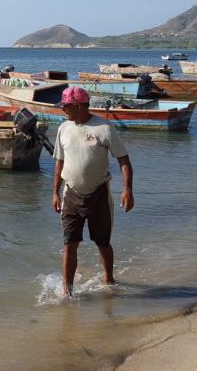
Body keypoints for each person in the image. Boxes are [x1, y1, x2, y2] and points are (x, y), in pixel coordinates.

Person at [51, 86, 133, 296]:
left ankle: (109, 282)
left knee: (103, 242)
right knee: (69, 243)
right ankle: (67, 291)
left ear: (78, 106)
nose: (63, 110)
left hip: (99, 194)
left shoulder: (104, 128)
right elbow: (59, 162)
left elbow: (123, 160)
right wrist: (55, 193)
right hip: (71, 194)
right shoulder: (64, 128)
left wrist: (127, 190)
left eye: (66, 106)